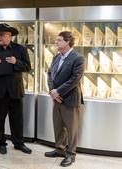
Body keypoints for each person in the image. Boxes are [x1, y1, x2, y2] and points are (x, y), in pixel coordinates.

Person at [0, 23, 32, 155]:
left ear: (9, 35)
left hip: (15, 90)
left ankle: (18, 143)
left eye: (2, 35)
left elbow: (28, 67)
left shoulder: (20, 49)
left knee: (17, 120)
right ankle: (1, 143)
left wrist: (16, 62)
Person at [45, 31, 84, 167]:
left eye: (59, 40)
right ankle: (59, 149)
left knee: (71, 129)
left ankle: (70, 155)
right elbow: (50, 74)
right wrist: (52, 91)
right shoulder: (56, 57)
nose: (56, 42)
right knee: (58, 126)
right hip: (56, 98)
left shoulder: (78, 58)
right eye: (57, 40)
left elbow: (74, 80)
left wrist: (58, 91)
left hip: (70, 99)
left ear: (68, 42)